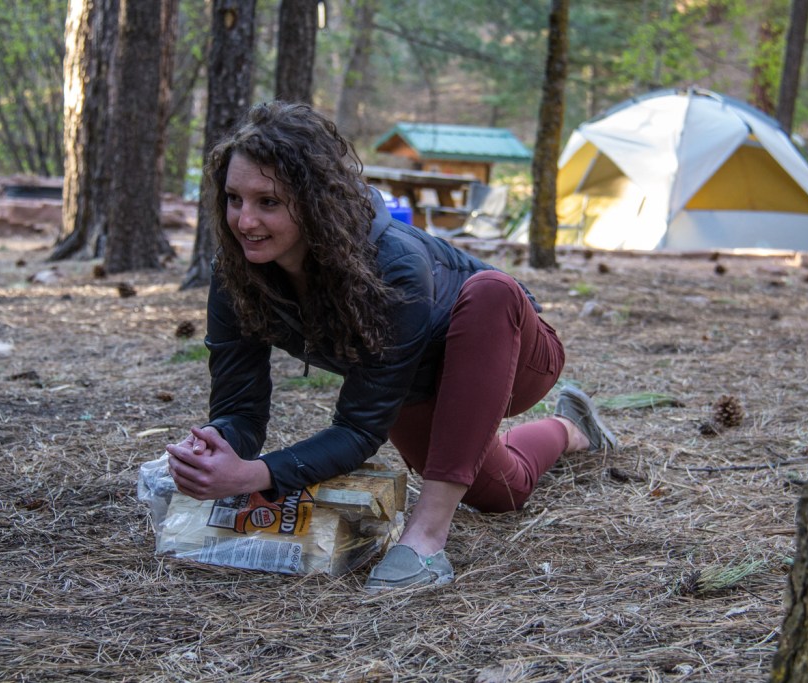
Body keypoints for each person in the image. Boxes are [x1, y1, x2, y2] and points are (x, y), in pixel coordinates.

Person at [165, 101, 616, 591]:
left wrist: (257, 476)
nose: (245, 220)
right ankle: (572, 427)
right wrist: (217, 451)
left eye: (268, 202)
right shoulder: (236, 273)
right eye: (234, 198)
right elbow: (239, 407)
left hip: (513, 355)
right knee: (499, 494)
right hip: (413, 376)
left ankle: (426, 539)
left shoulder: (392, 263)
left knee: (491, 291)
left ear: (313, 201)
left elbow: (359, 428)